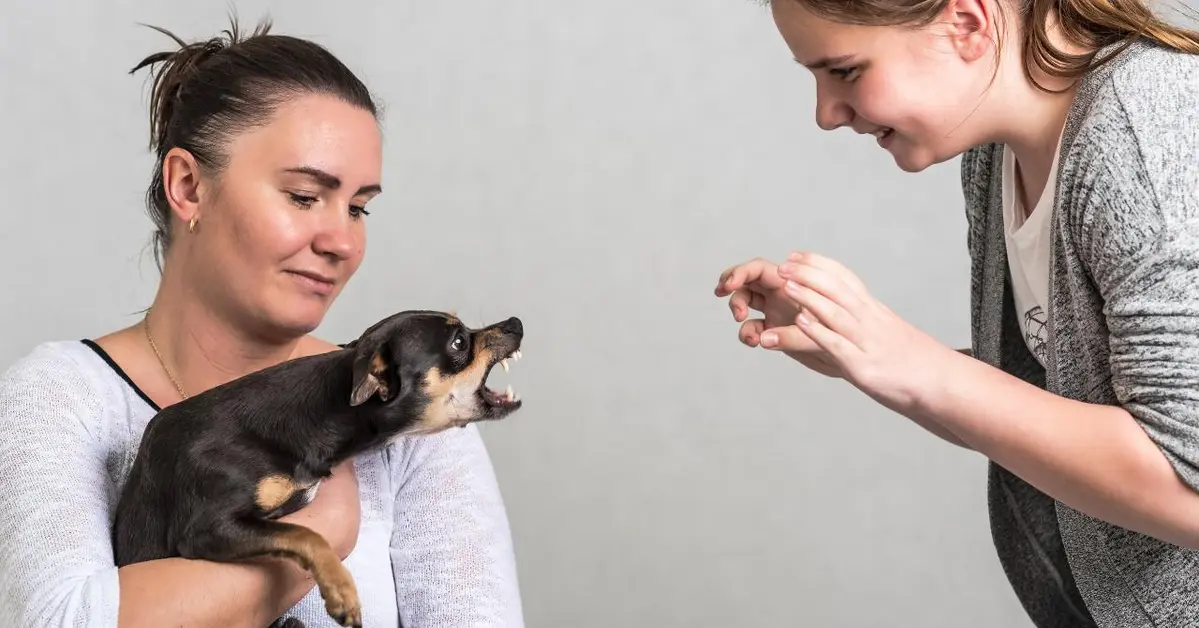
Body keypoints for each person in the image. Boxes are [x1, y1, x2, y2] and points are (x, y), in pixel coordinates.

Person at [0, 19, 524, 628]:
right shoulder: (58, 400)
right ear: (189, 187)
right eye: (304, 197)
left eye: (358, 208)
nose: (342, 242)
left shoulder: (414, 419)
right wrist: (318, 533)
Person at [716, 0, 1199, 626]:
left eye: (846, 71)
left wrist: (914, 366)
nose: (825, 113)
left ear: (967, 25)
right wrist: (857, 350)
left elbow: (1189, 484)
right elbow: (1040, 406)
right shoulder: (997, 155)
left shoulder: (1145, 137)